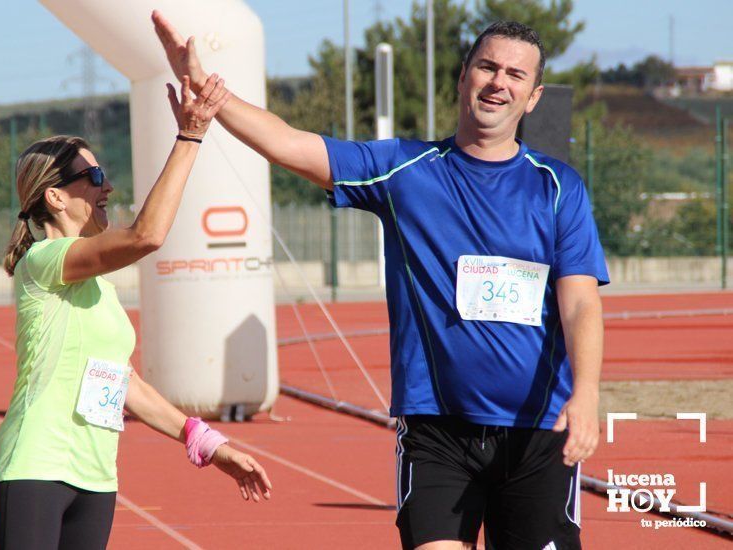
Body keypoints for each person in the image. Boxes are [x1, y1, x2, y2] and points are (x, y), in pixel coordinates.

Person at [153, 12, 607, 550]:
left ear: (532, 97)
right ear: (463, 77)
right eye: (487, 67)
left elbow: (579, 305)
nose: (498, 82)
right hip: (438, 431)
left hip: (538, 432)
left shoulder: (559, 189)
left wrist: (586, 393)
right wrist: (208, 90)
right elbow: (290, 144)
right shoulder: (404, 170)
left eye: (515, 75)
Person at [0, 73, 272, 549]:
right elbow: (147, 236)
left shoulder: (96, 284)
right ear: (55, 197)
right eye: (94, 177)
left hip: (96, 477)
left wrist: (206, 442)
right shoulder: (43, 261)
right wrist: (190, 135)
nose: (108, 186)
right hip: (35, 467)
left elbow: (121, 382)